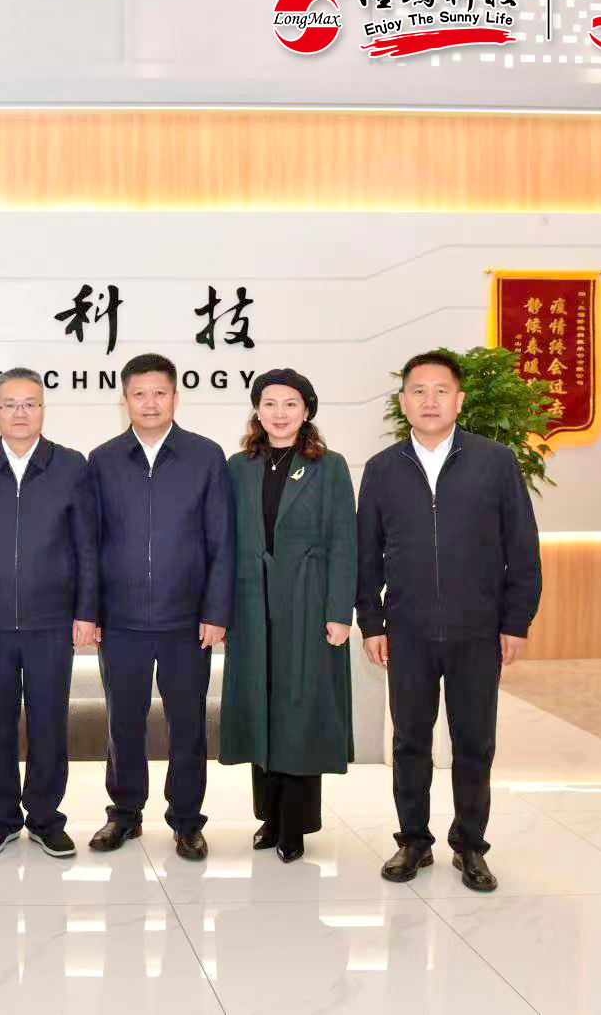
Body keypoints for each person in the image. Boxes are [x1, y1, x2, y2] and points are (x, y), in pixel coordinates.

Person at [357, 350, 542, 893]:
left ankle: (470, 845)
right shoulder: (382, 469)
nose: (430, 400)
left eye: (441, 390)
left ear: (459, 400)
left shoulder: (496, 462)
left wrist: (516, 621)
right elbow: (366, 556)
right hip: (407, 632)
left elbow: (522, 548)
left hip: (477, 630)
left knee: (474, 742)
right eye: (419, 390)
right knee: (410, 741)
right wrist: (372, 622)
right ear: (403, 402)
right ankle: (413, 840)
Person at [85, 353, 233, 860]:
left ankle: (187, 820)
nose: (150, 403)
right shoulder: (103, 460)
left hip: (187, 621)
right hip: (120, 620)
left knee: (187, 724)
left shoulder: (205, 456)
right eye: (139, 394)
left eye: (159, 393)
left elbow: (222, 541)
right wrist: (91, 611)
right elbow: (90, 542)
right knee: (122, 722)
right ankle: (124, 814)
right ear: (124, 400)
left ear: (175, 397)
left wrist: (216, 611)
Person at [0, 368, 97, 858]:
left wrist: (86, 611)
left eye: (30, 403)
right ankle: (1, 818)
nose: (20, 413)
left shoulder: (70, 465)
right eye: (10, 404)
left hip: (51, 620)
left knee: (48, 721)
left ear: (42, 410)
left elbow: (86, 546)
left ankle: (45, 818)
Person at [218, 369, 357, 863]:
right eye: (270, 403)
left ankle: (295, 824)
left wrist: (339, 611)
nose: (280, 413)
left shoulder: (329, 466)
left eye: (291, 404)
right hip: (251, 605)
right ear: (257, 410)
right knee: (261, 707)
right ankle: (269, 817)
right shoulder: (238, 467)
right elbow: (223, 541)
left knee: (301, 710)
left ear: (307, 411)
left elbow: (345, 542)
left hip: (307, 602)